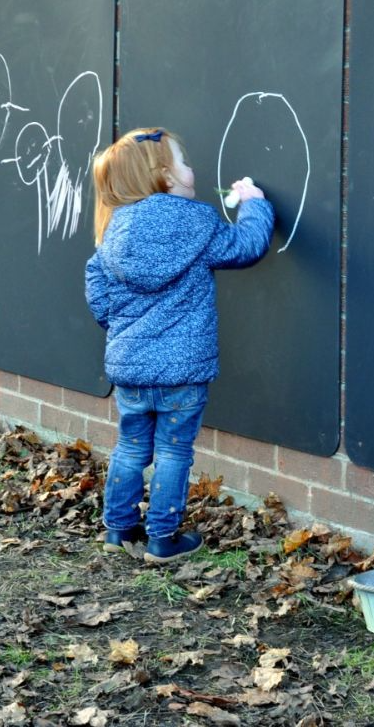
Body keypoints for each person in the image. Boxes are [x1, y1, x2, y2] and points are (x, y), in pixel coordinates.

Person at [84, 127, 274, 563]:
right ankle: (162, 539)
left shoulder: (116, 227)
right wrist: (255, 206)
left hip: (130, 365)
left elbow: (95, 277)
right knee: (173, 450)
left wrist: (114, 323)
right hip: (183, 370)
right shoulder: (196, 222)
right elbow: (245, 247)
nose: (193, 169)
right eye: (184, 161)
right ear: (166, 176)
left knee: (131, 446)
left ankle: (118, 531)